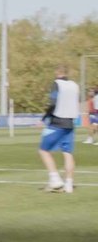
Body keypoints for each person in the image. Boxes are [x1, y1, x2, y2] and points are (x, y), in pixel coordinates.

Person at [38, 65, 79, 193]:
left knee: (44, 150)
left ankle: (55, 179)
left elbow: (53, 103)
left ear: (57, 72)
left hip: (57, 122)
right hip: (70, 123)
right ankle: (69, 184)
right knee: (67, 153)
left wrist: (44, 118)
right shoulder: (74, 85)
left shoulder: (57, 84)